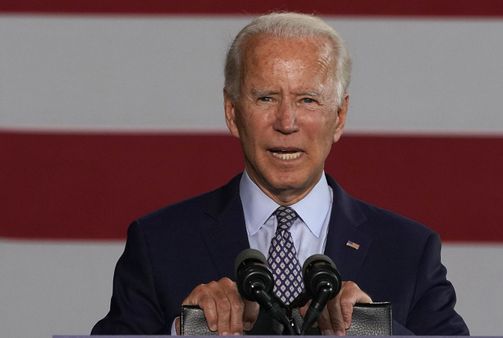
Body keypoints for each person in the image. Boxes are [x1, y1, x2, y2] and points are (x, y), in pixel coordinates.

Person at [92, 12, 469, 336]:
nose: (287, 122)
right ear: (232, 112)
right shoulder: (159, 243)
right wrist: (182, 331)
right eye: (266, 98)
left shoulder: (408, 250)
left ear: (339, 117)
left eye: (308, 99)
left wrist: (372, 329)